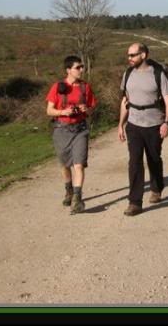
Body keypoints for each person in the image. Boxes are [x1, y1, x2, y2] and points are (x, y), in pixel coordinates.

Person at [118, 43, 168, 216]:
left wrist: (166, 123)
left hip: (154, 124)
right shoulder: (127, 74)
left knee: (154, 159)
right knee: (134, 162)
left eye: (132, 55)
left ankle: (156, 188)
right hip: (134, 124)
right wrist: (120, 124)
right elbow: (125, 101)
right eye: (128, 55)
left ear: (143, 55)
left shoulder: (158, 74)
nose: (129, 58)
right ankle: (135, 202)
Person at [45, 55, 98, 215]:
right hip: (62, 130)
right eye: (78, 67)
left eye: (82, 67)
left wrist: (86, 110)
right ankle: (68, 190)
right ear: (68, 70)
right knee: (65, 165)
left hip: (80, 130)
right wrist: (63, 111)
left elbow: (91, 107)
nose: (82, 69)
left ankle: (77, 198)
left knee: (79, 164)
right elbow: (49, 110)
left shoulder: (85, 87)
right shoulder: (57, 87)